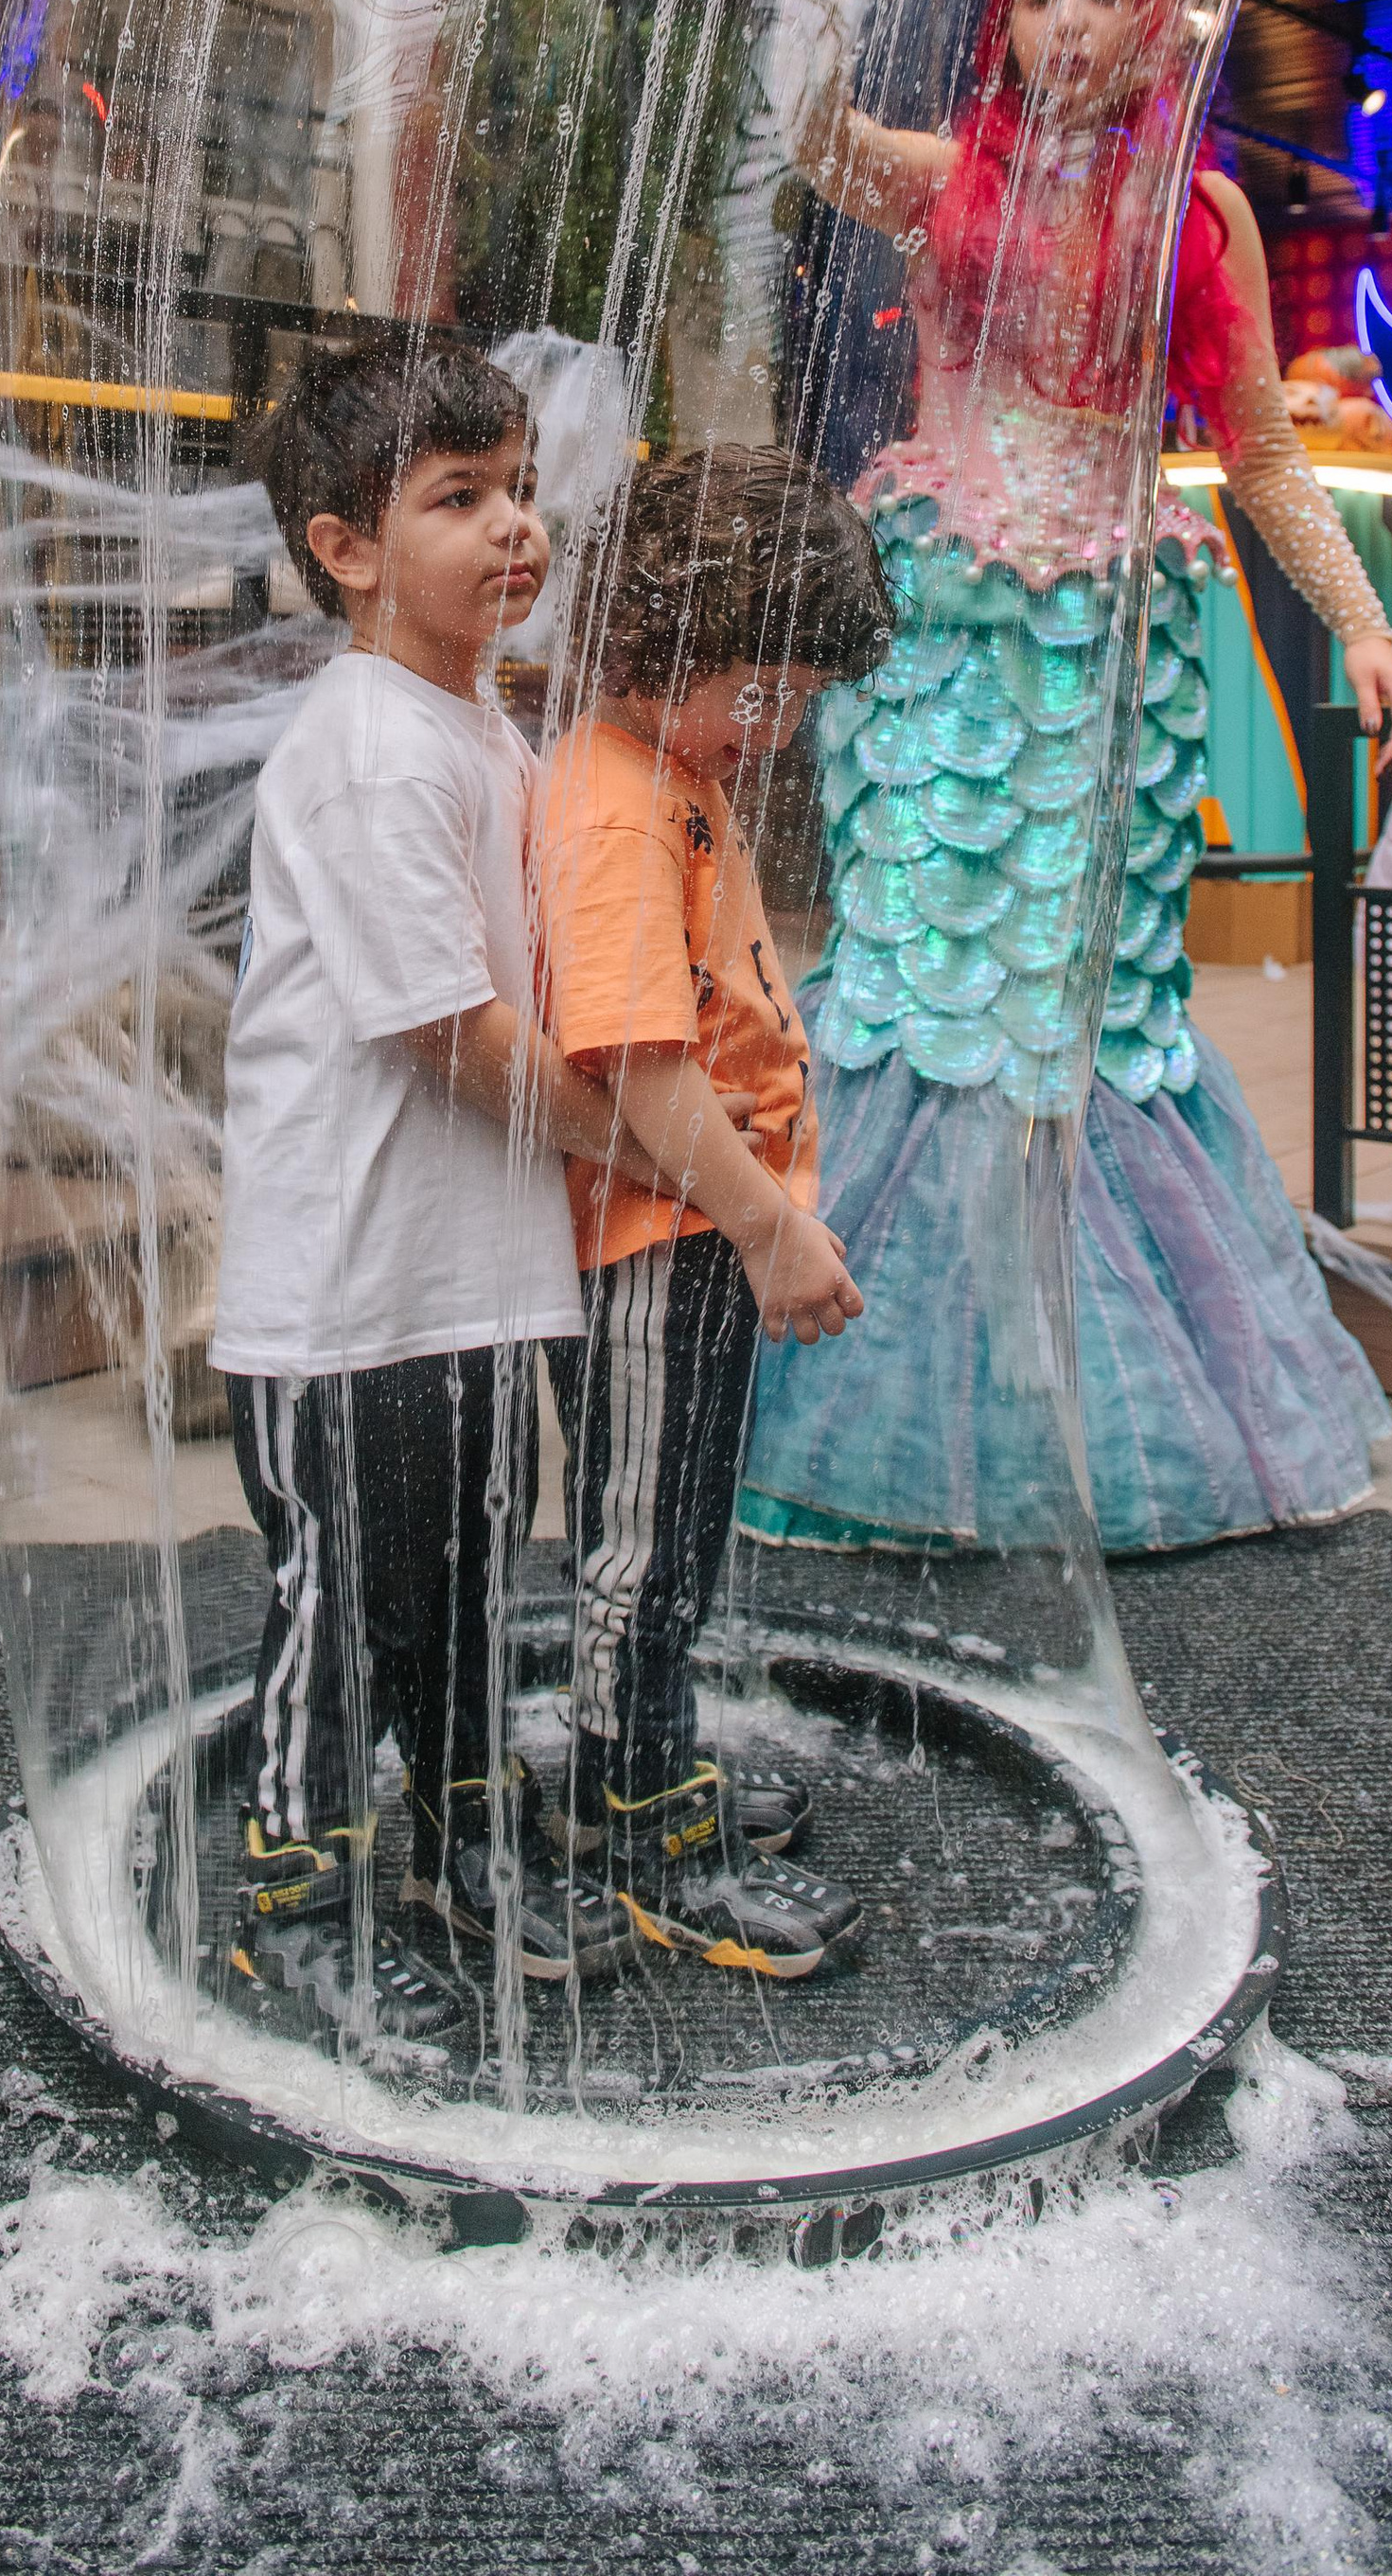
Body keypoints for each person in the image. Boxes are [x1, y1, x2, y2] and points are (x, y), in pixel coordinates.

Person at [737, 0, 1392, 1559]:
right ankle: (880, 1390)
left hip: (1112, 628)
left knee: (1087, 995)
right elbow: (813, 132)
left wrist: (1362, 622)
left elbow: (1256, 445)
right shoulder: (943, 171)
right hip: (955, 621)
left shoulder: (1207, 208)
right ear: (1007, 14)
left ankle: (1092, 1398)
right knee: (919, 972)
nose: (1065, 27)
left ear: (1153, 16)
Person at [211, 339, 639, 2047]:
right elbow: (446, 1031)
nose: (513, 529)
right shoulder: (372, 746)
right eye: (458, 500)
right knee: (337, 1604)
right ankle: (300, 1893)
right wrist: (627, 1135)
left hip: (464, 1273)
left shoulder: (473, 725)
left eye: (519, 489)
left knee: (461, 1583)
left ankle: (463, 1836)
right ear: (347, 549)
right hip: (345, 1289)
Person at [535, 446, 890, 1974]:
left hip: (692, 1237)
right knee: (643, 1544)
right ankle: (637, 1825)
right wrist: (765, 1222)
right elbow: (635, 1067)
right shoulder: (617, 814)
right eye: (763, 692)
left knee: (669, 1528)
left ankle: (645, 1764)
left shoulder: (666, 781)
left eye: (802, 697)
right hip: (661, 1243)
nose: (784, 728)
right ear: (647, 642)